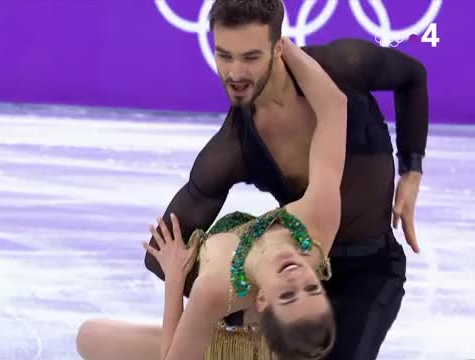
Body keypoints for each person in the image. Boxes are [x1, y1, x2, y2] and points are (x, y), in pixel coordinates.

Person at [143, 1, 427, 359]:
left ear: (278, 46)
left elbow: (413, 77)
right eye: (224, 56)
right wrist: (235, 305)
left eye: (250, 56)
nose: (234, 73)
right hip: (290, 271)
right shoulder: (234, 148)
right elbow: (162, 254)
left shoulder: (342, 68)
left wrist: (411, 171)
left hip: (370, 270)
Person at [76, 35, 347, 360]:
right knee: (89, 336)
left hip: (220, 352)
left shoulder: (215, 289)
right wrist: (276, 43)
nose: (297, 278)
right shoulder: (319, 224)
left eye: (288, 295)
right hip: (274, 342)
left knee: (89, 338)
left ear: (262, 302)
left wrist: (175, 278)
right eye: (312, 287)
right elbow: (334, 107)